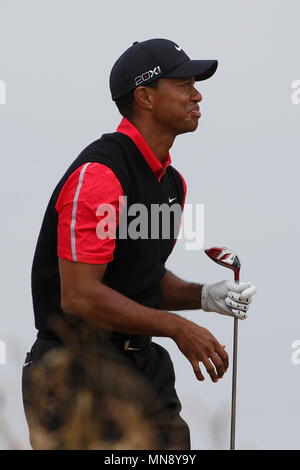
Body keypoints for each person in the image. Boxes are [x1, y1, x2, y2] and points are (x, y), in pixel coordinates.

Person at [22, 38, 256, 450]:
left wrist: (202, 296)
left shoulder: (171, 182)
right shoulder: (100, 175)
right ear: (145, 97)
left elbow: (136, 276)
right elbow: (78, 296)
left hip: (143, 368)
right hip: (75, 373)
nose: (197, 94)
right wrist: (176, 327)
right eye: (183, 84)